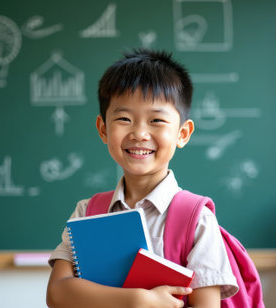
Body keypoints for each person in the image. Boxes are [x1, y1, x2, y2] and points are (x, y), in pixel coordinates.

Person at [46, 49, 238, 308]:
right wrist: (137, 299)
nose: (139, 133)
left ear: (183, 133)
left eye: (156, 120)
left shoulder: (198, 220)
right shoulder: (87, 213)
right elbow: (57, 294)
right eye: (124, 119)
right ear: (103, 129)